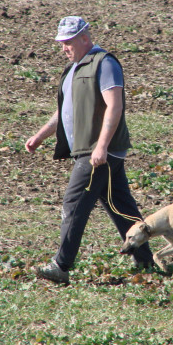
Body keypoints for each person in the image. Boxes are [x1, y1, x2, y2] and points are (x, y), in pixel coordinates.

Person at [25, 16, 154, 284]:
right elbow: (64, 112)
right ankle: (146, 262)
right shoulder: (73, 69)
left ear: (85, 37)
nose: (63, 48)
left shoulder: (104, 63)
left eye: (68, 42)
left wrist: (102, 145)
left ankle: (61, 266)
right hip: (95, 151)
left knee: (74, 205)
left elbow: (114, 105)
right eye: (61, 43)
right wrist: (40, 136)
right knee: (120, 207)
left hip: (97, 152)